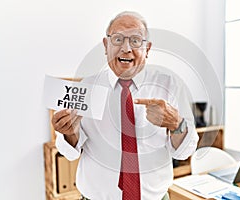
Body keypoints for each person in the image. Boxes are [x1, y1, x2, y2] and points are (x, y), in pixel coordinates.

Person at [52, 11, 198, 200]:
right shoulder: (83, 89)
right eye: (118, 39)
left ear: (148, 48)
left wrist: (176, 123)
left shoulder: (170, 86)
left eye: (136, 40)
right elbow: (69, 153)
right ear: (106, 46)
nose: (126, 48)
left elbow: (186, 150)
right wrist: (69, 133)